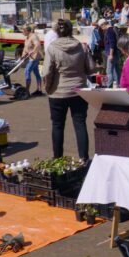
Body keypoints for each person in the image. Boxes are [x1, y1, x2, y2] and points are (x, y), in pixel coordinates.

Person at [42, 19, 90, 161]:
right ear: (71, 30)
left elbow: (46, 73)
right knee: (80, 124)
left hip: (58, 92)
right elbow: (89, 68)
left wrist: (48, 88)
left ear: (57, 31)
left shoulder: (52, 48)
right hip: (79, 90)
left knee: (57, 126)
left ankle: (58, 158)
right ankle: (84, 158)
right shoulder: (81, 46)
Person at [21, 25, 43, 95]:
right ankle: (39, 90)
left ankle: (27, 91)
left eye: (23, 31)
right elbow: (25, 48)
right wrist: (22, 56)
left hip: (34, 58)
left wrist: (32, 51)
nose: (22, 33)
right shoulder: (27, 38)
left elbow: (38, 45)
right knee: (36, 73)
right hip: (31, 58)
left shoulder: (33, 37)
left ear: (26, 31)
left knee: (27, 71)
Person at [104, 19, 120, 88]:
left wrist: (110, 54)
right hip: (116, 53)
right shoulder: (113, 29)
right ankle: (118, 85)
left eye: (101, 27)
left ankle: (109, 86)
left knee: (109, 71)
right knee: (115, 70)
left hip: (112, 54)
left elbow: (112, 43)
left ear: (103, 24)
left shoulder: (109, 31)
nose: (102, 29)